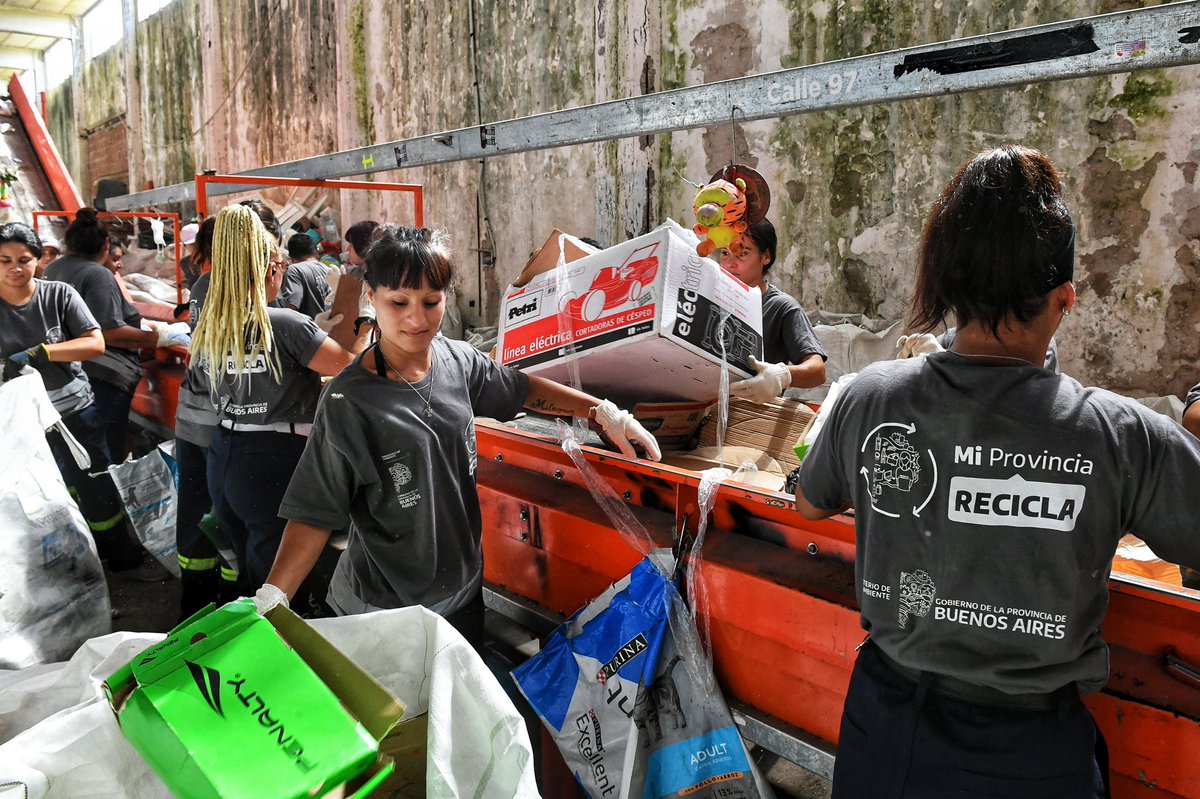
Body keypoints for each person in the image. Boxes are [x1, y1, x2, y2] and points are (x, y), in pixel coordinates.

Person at [794, 145, 1200, 798]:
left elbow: (810, 505)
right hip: (1032, 758)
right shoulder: (1118, 437)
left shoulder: (869, 397)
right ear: (1063, 300)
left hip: (887, 734)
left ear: (949, 286)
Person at [261, 226, 661, 648]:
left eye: (430, 302)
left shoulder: (457, 360)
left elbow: (520, 389)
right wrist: (275, 594)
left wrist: (601, 411)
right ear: (371, 298)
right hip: (385, 613)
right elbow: (314, 513)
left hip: (463, 594)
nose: (417, 319)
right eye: (399, 303)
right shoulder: (349, 401)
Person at [191, 204, 366, 604]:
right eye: (281, 265)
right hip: (274, 461)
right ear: (271, 269)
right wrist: (366, 321)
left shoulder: (212, 328)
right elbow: (352, 369)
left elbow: (203, 382)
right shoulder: (285, 324)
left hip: (225, 453)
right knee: (279, 586)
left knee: (251, 566)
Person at [0, 221, 145, 570]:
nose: (15, 268)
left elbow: (95, 343)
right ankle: (66, 566)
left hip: (74, 412)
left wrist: (46, 352)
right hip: (19, 421)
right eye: (4, 260)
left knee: (95, 486)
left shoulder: (59, 295)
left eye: (24, 259)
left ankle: (118, 558)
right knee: (39, 496)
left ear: (38, 259)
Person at [45, 209, 172, 462]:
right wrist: (159, 338)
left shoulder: (54, 268)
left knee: (76, 454)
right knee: (104, 453)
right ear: (105, 245)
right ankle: (108, 500)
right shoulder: (96, 274)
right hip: (102, 378)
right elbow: (108, 331)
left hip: (67, 376)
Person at [173, 216, 237, 617]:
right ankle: (228, 610)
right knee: (231, 518)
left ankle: (192, 614)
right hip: (221, 423)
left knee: (198, 511)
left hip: (194, 418)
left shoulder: (201, 284)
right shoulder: (232, 286)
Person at [719, 218, 827, 402]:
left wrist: (781, 376)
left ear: (766, 257)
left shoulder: (781, 307)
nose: (730, 263)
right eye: (724, 253)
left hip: (752, 420)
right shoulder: (712, 299)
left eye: (742, 254)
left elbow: (817, 371)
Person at [277, 231, 332, 318]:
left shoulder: (294, 270)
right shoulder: (329, 270)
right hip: (331, 328)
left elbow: (291, 307)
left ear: (291, 257)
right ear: (316, 252)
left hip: (309, 329)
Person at [178, 222, 201, 287]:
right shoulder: (184, 263)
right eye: (192, 244)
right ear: (185, 246)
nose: (196, 246)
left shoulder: (213, 259)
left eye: (197, 242)